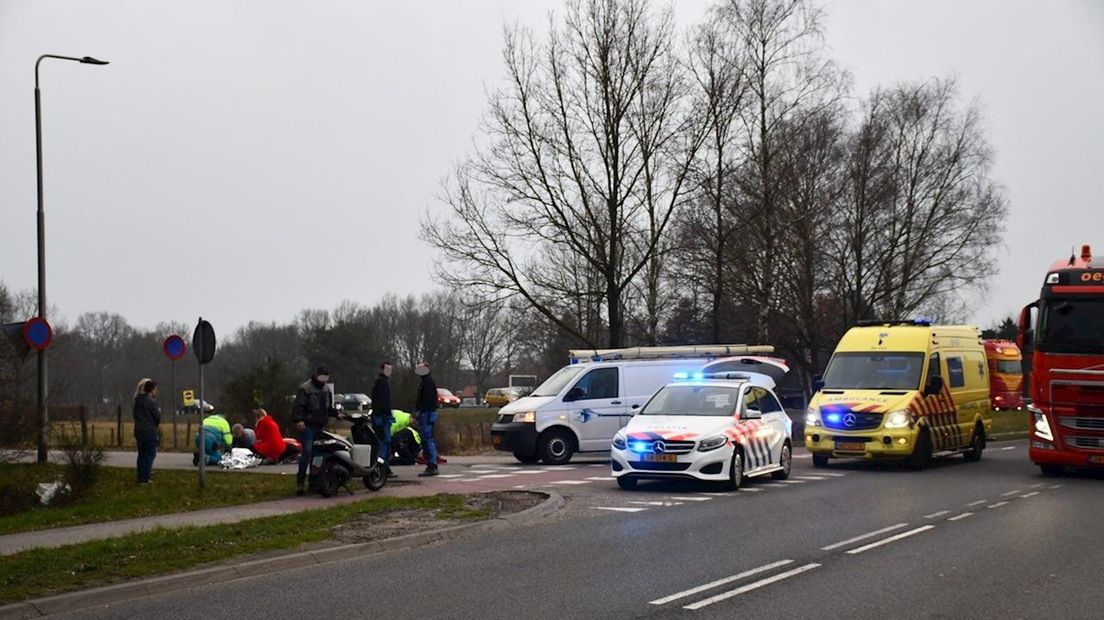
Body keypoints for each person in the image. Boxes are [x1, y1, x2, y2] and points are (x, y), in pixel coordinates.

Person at [292, 366, 340, 495]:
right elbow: (298, 406)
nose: (324, 381)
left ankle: (314, 483)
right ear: (317, 375)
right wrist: (299, 420)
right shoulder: (306, 389)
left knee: (318, 456)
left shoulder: (326, 389)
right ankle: (300, 483)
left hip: (320, 425)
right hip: (308, 425)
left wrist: (336, 414)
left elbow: (328, 407)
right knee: (307, 453)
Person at [132, 378, 161, 484]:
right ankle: (145, 477)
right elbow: (157, 416)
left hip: (138, 430)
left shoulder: (137, 400)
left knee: (141, 454)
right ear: (152, 390)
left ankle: (140, 477)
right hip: (149, 430)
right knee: (150, 454)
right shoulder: (151, 402)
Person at [414, 362, 440, 477]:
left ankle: (432, 464)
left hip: (427, 413)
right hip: (427, 413)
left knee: (427, 439)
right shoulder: (426, 381)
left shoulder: (427, 382)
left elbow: (428, 399)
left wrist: (422, 411)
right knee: (427, 439)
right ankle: (431, 462)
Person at [371, 361, 396, 478]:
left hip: (381, 416)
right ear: (381, 370)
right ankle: (381, 468)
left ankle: (383, 467)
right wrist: (387, 414)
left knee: (385, 442)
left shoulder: (381, 382)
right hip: (382, 417)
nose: (388, 372)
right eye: (387, 369)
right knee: (384, 443)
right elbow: (383, 401)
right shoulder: (382, 383)